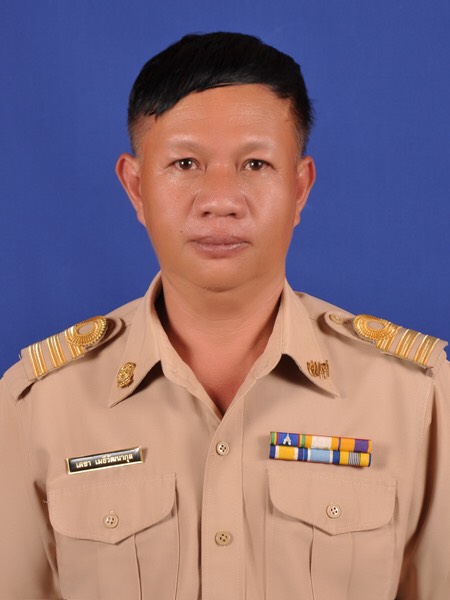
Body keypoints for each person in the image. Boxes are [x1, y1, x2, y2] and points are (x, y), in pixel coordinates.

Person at [0, 32, 448, 600]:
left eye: (255, 163)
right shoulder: (38, 405)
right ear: (136, 188)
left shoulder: (415, 397)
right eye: (185, 163)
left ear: (300, 188)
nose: (220, 200)